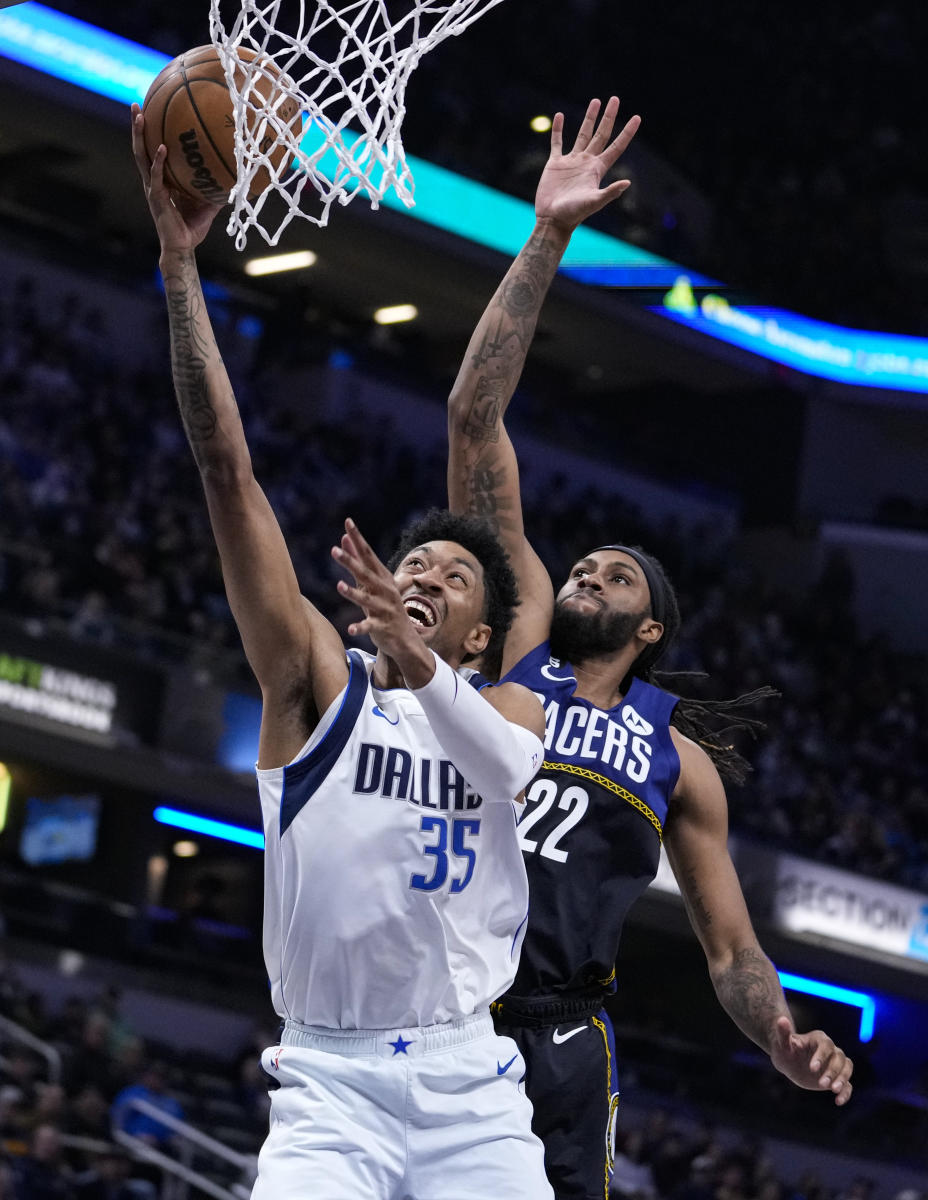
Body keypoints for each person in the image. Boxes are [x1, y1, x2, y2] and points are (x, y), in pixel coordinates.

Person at [130, 107, 552, 1199]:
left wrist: (546, 233)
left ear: (481, 636)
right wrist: (181, 265)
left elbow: (507, 771)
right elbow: (228, 473)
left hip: (472, 1081)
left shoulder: (508, 707)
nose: (423, 576)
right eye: (412, 565)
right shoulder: (316, 681)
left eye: (451, 580)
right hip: (330, 1082)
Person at [446, 97, 855, 1200]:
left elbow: (731, 954)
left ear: (650, 627)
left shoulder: (682, 761)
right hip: (439, 1006)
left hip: (563, 1034)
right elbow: (475, 422)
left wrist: (782, 1036)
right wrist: (548, 237)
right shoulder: (519, 640)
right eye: (588, 562)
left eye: (617, 574)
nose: (588, 570)